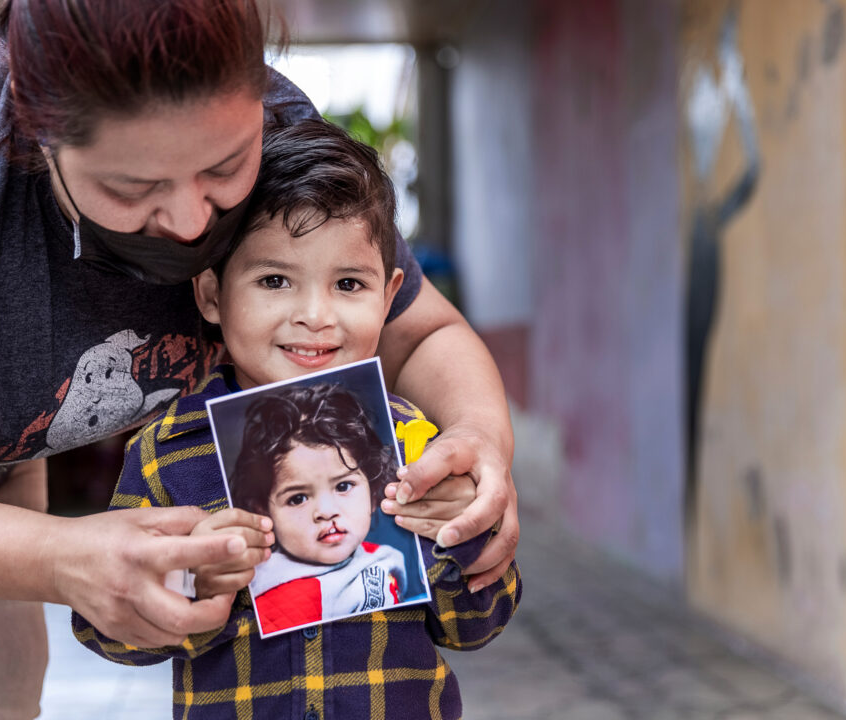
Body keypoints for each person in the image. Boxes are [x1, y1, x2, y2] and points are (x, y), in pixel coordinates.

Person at [0, 1, 517, 716]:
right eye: (133, 189)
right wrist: (61, 556)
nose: (194, 223)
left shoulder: (281, 134)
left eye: (224, 169)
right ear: (34, 128)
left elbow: (416, 333)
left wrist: (480, 445)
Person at [73, 119, 521, 719]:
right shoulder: (164, 452)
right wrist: (185, 586)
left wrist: (456, 539)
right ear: (211, 295)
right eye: (275, 280)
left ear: (389, 299)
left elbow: (480, 624)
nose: (315, 315)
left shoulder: (420, 444)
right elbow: (106, 634)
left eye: (348, 283)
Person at [229, 382, 411, 633]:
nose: (326, 511)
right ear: (263, 513)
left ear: (372, 495)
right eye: (297, 498)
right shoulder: (275, 596)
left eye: (344, 486)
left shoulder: (382, 557)